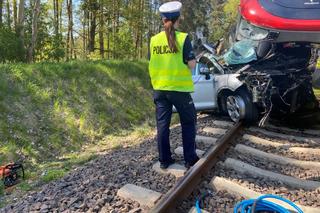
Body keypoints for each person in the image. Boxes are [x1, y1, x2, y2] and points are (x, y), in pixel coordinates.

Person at [148, 1, 199, 169]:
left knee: (162, 126)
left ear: (163, 20)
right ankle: (190, 158)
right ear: (178, 19)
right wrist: (194, 59)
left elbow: (152, 62)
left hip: (160, 89)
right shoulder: (183, 38)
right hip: (179, 90)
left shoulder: (154, 40)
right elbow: (191, 65)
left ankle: (164, 160)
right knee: (189, 122)